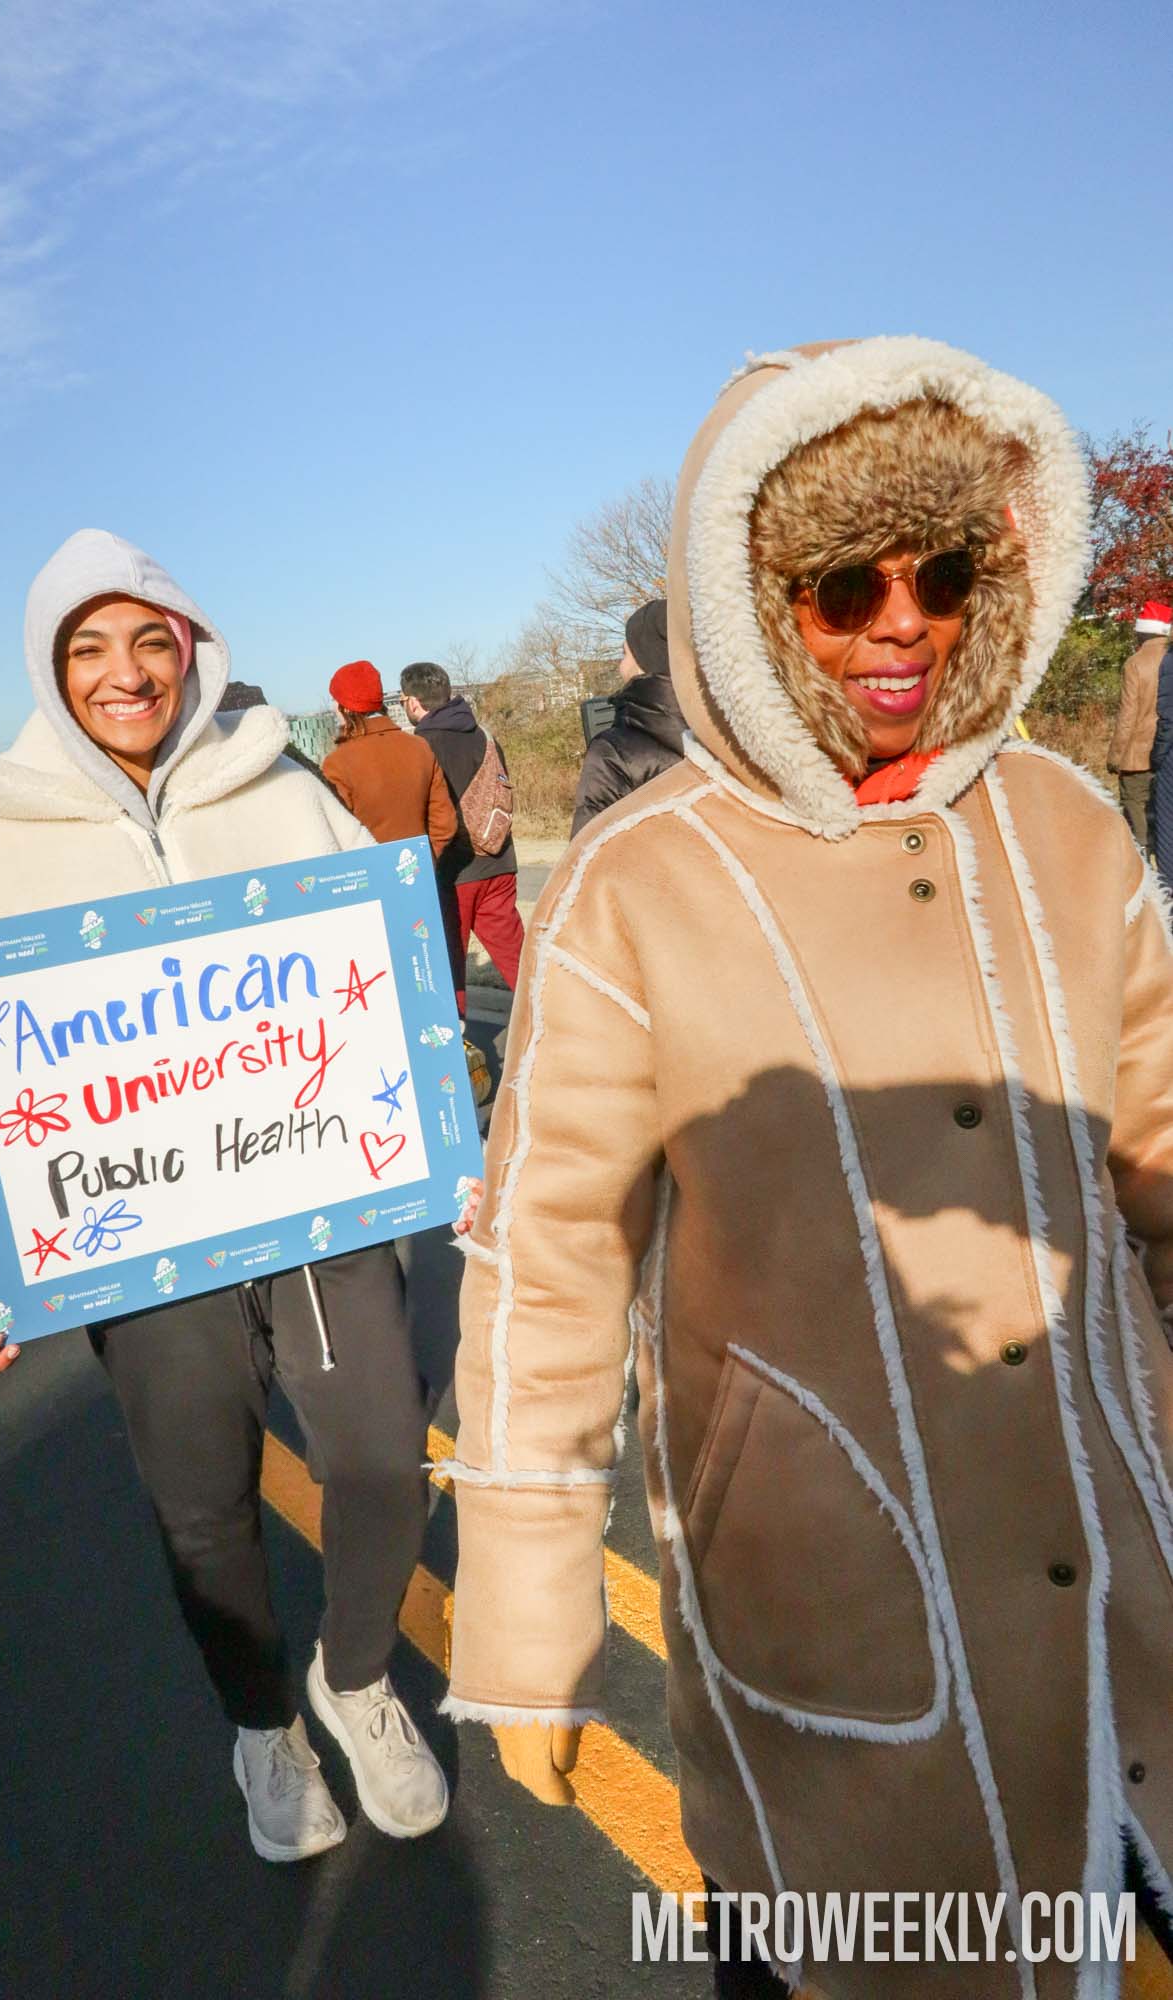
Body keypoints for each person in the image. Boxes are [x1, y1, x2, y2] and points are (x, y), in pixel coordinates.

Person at [443, 341, 1173, 1997]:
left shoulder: (1070, 828)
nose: (902, 623)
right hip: (828, 1616)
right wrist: (529, 1610)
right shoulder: (639, 882)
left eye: (945, 573)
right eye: (845, 586)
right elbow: (551, 1260)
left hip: (1127, 1569)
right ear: (748, 604)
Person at [0, 530, 460, 1865]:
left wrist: (449, 1147)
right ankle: (262, 1724)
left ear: (191, 649)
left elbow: (386, 977)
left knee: (381, 1459)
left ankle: (354, 1675)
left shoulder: (282, 786)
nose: (126, 672)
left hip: (317, 1214)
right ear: (52, 672)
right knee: (205, 1509)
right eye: (89, 648)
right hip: (140, 1246)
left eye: (150, 640)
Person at [398, 663, 524, 1017]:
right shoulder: (484, 735)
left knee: (449, 965)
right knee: (519, 959)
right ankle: (557, 1025)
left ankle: (456, 1040)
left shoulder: (419, 747)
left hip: (454, 872)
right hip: (499, 861)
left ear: (412, 702)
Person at [571, 599, 686, 835]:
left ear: (645, 660)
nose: (620, 666)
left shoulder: (613, 752)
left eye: (624, 653)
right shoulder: (732, 736)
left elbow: (589, 849)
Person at [322, 658, 458, 855]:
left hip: (369, 871)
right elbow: (444, 824)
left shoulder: (337, 764)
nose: (333, 707)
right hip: (417, 868)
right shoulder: (419, 747)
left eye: (335, 700)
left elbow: (336, 836)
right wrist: (424, 862)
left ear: (347, 707)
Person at [1107, 599, 1170, 853]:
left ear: (1143, 632)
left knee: (1135, 806)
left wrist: (1115, 756)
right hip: (1167, 751)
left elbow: (1128, 716)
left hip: (1138, 756)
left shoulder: (1135, 663)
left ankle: (1144, 859)